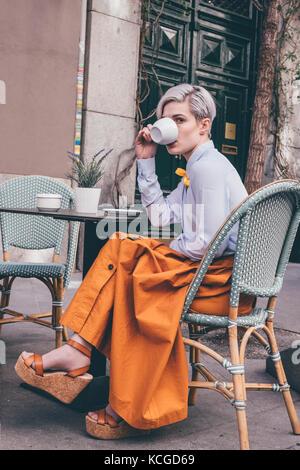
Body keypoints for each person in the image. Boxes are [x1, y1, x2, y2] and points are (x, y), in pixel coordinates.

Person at [15, 84, 254, 440]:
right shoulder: (197, 168)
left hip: (220, 283)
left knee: (131, 263)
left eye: (179, 119)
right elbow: (158, 217)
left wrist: (160, 249)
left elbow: (205, 246)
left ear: (204, 126)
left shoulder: (208, 168)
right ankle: (83, 355)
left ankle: (91, 364)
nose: (169, 126)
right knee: (127, 251)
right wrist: (145, 159)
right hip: (213, 275)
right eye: (164, 120)